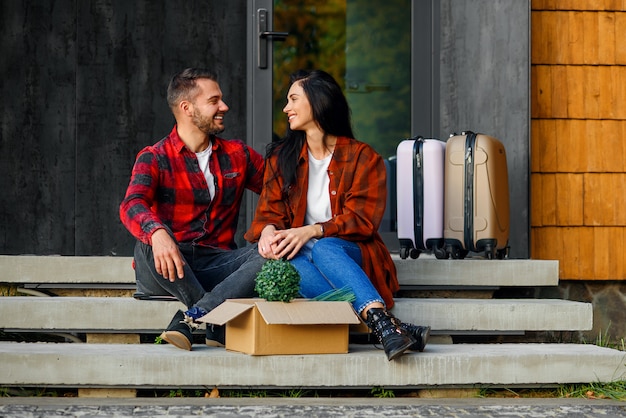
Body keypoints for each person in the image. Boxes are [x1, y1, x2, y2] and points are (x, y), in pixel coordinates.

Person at [244, 69, 430, 361]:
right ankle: (386, 326)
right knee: (288, 267)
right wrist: (268, 231)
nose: (286, 108)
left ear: (317, 103)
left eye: (293, 99)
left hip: (351, 253)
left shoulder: (362, 157)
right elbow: (269, 212)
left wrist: (312, 230)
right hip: (301, 257)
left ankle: (379, 320)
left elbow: (363, 220)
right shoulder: (282, 158)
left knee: (325, 246)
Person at [120, 68, 266, 351]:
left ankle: (194, 316)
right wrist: (159, 233)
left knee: (272, 254)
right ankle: (215, 320)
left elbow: (280, 192)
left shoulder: (239, 155)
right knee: (149, 240)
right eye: (214, 101)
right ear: (187, 108)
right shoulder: (155, 157)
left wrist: (270, 229)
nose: (224, 107)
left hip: (217, 263)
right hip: (167, 267)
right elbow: (132, 203)